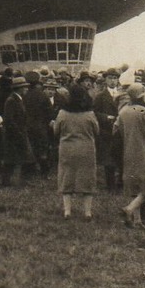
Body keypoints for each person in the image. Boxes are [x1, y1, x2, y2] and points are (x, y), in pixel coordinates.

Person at [115, 84, 145, 228]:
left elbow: (119, 130)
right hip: (144, 151)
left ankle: (137, 221)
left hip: (129, 151)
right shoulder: (143, 111)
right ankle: (129, 208)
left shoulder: (123, 111)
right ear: (141, 96)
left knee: (134, 186)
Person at [52, 85, 100, 219]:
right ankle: (87, 212)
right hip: (86, 149)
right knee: (87, 179)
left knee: (66, 177)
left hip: (67, 149)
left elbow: (56, 131)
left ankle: (67, 211)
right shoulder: (89, 114)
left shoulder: (62, 113)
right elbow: (97, 131)